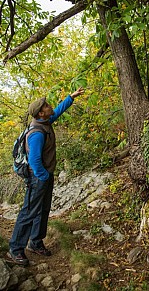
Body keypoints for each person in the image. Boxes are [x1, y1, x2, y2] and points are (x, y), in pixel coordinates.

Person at [7, 87, 84, 266]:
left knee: (43, 210)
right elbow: (34, 160)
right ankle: (16, 249)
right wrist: (43, 177)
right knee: (29, 212)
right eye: (47, 105)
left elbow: (57, 111)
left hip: (44, 176)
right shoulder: (37, 134)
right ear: (41, 113)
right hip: (38, 177)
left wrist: (70, 98)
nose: (50, 106)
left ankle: (35, 242)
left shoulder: (45, 121)